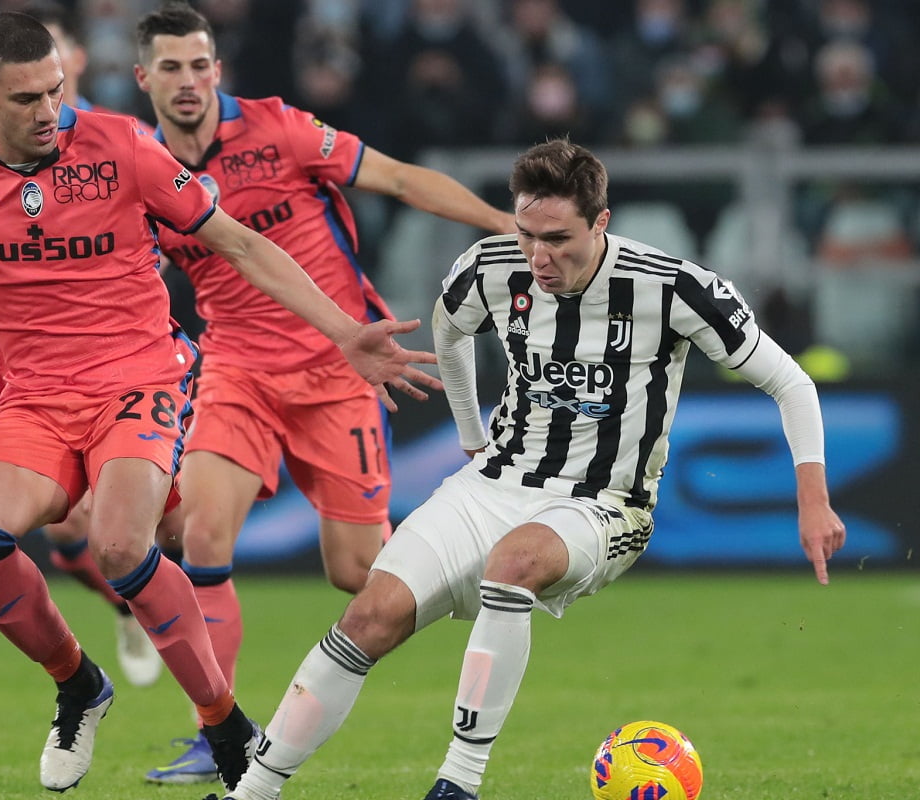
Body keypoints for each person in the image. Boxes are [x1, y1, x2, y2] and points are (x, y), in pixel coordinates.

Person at [0, 11, 441, 794]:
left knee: (121, 546)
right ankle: (78, 685)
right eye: (25, 98)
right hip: (35, 402)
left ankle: (224, 724)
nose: (48, 111)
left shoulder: (121, 145)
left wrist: (345, 331)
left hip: (140, 381)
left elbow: (238, 242)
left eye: (56, 90)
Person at [209, 138, 847, 800]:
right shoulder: (490, 267)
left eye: (558, 238)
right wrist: (470, 436)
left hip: (605, 503)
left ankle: (458, 784)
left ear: (600, 222)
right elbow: (449, 330)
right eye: (526, 234)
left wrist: (813, 498)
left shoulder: (671, 287)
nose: (539, 256)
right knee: (369, 618)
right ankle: (251, 793)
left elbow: (791, 383)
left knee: (513, 562)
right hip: (493, 483)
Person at [130, 3, 514, 785]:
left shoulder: (279, 129)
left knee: (358, 571)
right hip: (236, 368)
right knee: (203, 535)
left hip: (340, 367)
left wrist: (503, 223)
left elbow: (398, 177)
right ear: (144, 78)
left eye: (199, 65)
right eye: (171, 67)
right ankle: (219, 733)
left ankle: (488, 570)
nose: (188, 81)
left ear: (217, 70)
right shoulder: (141, 171)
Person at [0, 0, 165, 691]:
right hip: (48, 376)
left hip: (137, 354)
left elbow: (185, 232)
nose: (47, 94)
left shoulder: (115, 139)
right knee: (71, 538)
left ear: (74, 62)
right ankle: (127, 608)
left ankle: (166, 626)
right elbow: (20, 247)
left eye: (60, 65)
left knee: (131, 531)